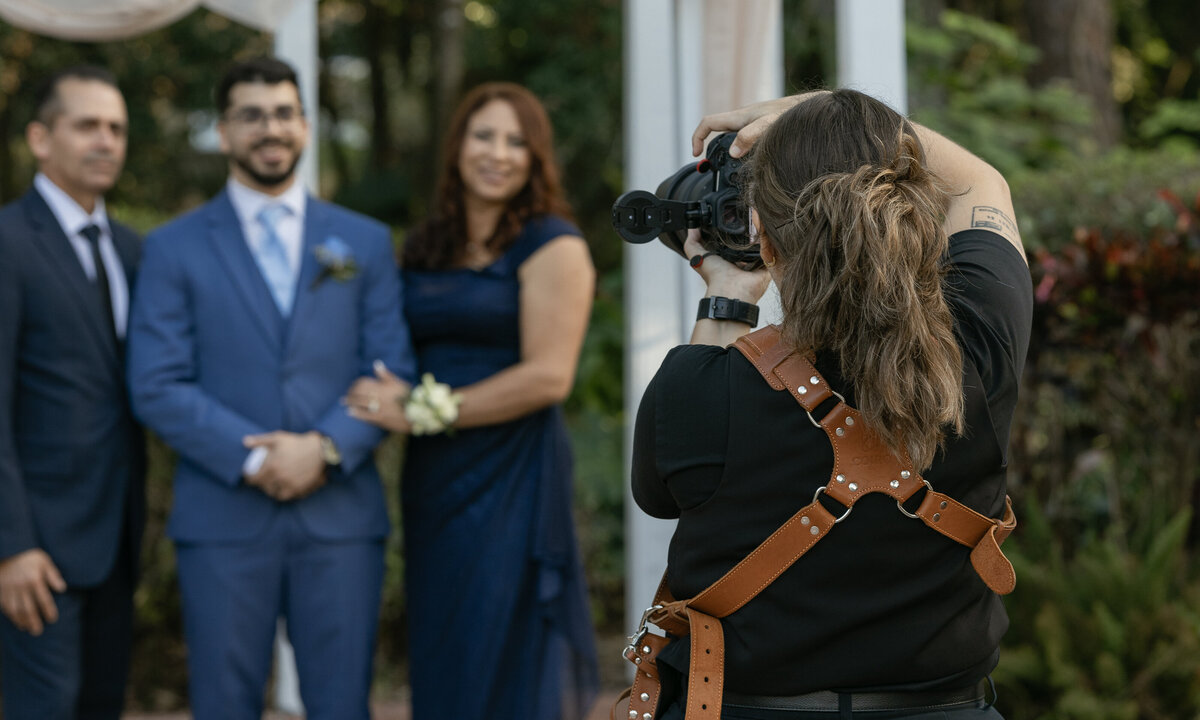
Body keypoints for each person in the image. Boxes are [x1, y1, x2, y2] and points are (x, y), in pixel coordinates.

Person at [630, 88, 1033, 719]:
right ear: (908, 204)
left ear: (762, 237)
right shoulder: (979, 343)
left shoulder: (698, 391)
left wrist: (729, 299)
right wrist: (824, 107)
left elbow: (661, 496)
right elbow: (982, 183)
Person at [126, 56, 416, 720]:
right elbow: (156, 382)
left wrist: (323, 447)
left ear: (306, 127)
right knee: (224, 705)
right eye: (251, 115)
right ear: (224, 133)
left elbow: (389, 370)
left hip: (339, 518)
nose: (270, 129)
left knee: (343, 706)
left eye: (284, 113)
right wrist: (256, 457)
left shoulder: (363, 243)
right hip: (224, 520)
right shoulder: (171, 249)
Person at [343, 82, 600, 719]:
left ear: (536, 158)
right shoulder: (426, 245)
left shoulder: (553, 244)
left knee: (502, 627)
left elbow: (549, 377)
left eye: (517, 141)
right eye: (484, 135)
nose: (499, 153)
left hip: (513, 469)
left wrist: (431, 411)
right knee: (443, 631)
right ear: (457, 146)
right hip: (435, 476)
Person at [0, 65, 145, 719]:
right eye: (87, 125)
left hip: (118, 536)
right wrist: (11, 546)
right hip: (38, 551)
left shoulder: (135, 249)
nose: (106, 141)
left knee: (102, 705)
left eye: (116, 127)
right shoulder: (6, 242)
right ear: (39, 137)